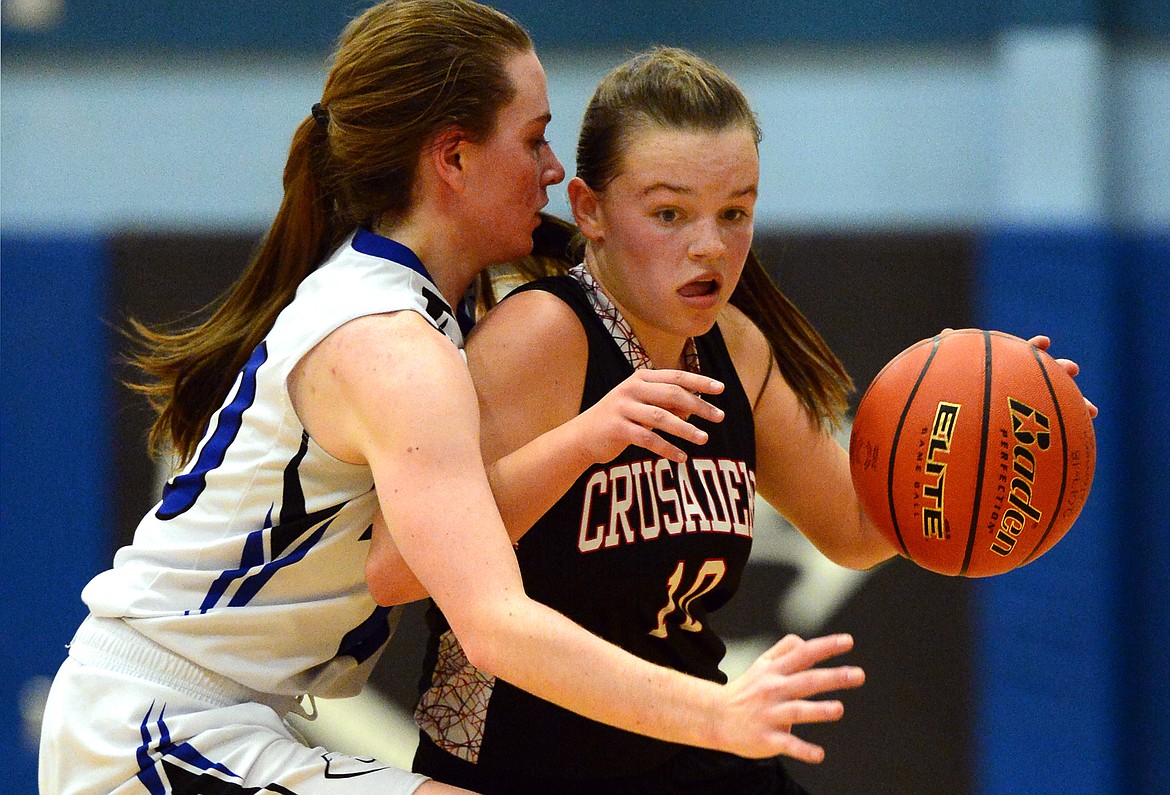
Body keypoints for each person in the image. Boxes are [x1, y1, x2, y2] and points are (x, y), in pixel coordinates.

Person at [38, 6, 869, 795]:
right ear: (453, 158)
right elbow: (490, 622)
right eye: (535, 139)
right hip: (153, 727)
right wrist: (719, 713)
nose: (550, 171)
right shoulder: (396, 343)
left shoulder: (433, 299)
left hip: (238, 715)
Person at [408, 47, 1097, 794]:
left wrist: (989, 445)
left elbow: (858, 528)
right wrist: (583, 442)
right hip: (530, 760)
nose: (709, 244)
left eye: (734, 212)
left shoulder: (733, 342)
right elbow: (420, 566)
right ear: (590, 211)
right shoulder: (540, 339)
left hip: (689, 745)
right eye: (669, 213)